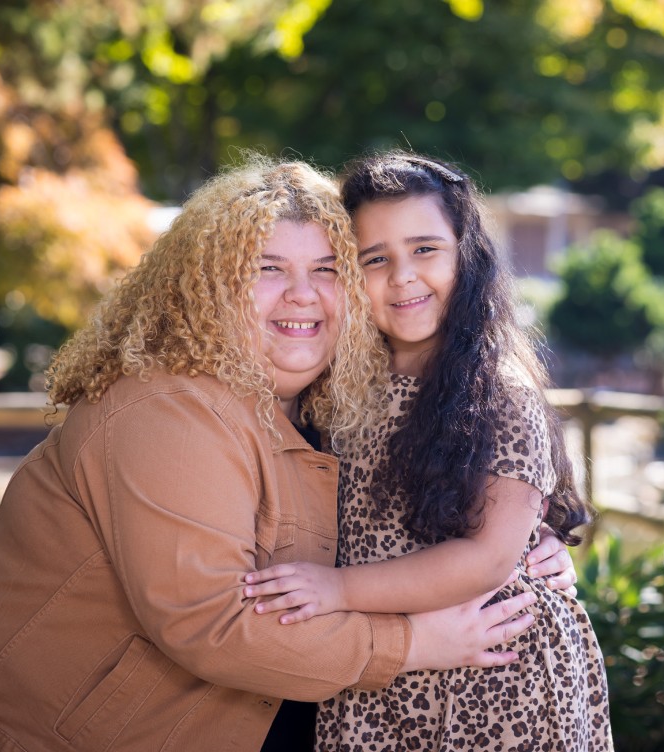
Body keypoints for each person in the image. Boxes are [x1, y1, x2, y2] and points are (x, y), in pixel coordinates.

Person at [0, 156, 577, 752]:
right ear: (207, 286)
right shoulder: (167, 410)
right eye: (268, 268)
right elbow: (213, 624)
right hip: (15, 733)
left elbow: (404, 515)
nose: (302, 293)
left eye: (326, 269)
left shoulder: (330, 407)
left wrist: (517, 540)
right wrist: (413, 644)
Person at [243, 152, 613, 750]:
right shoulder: (339, 385)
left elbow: (488, 558)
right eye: (375, 258)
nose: (403, 276)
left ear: (467, 255)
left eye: (425, 249)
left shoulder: (498, 392)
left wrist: (336, 590)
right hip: (383, 667)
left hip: (492, 675)